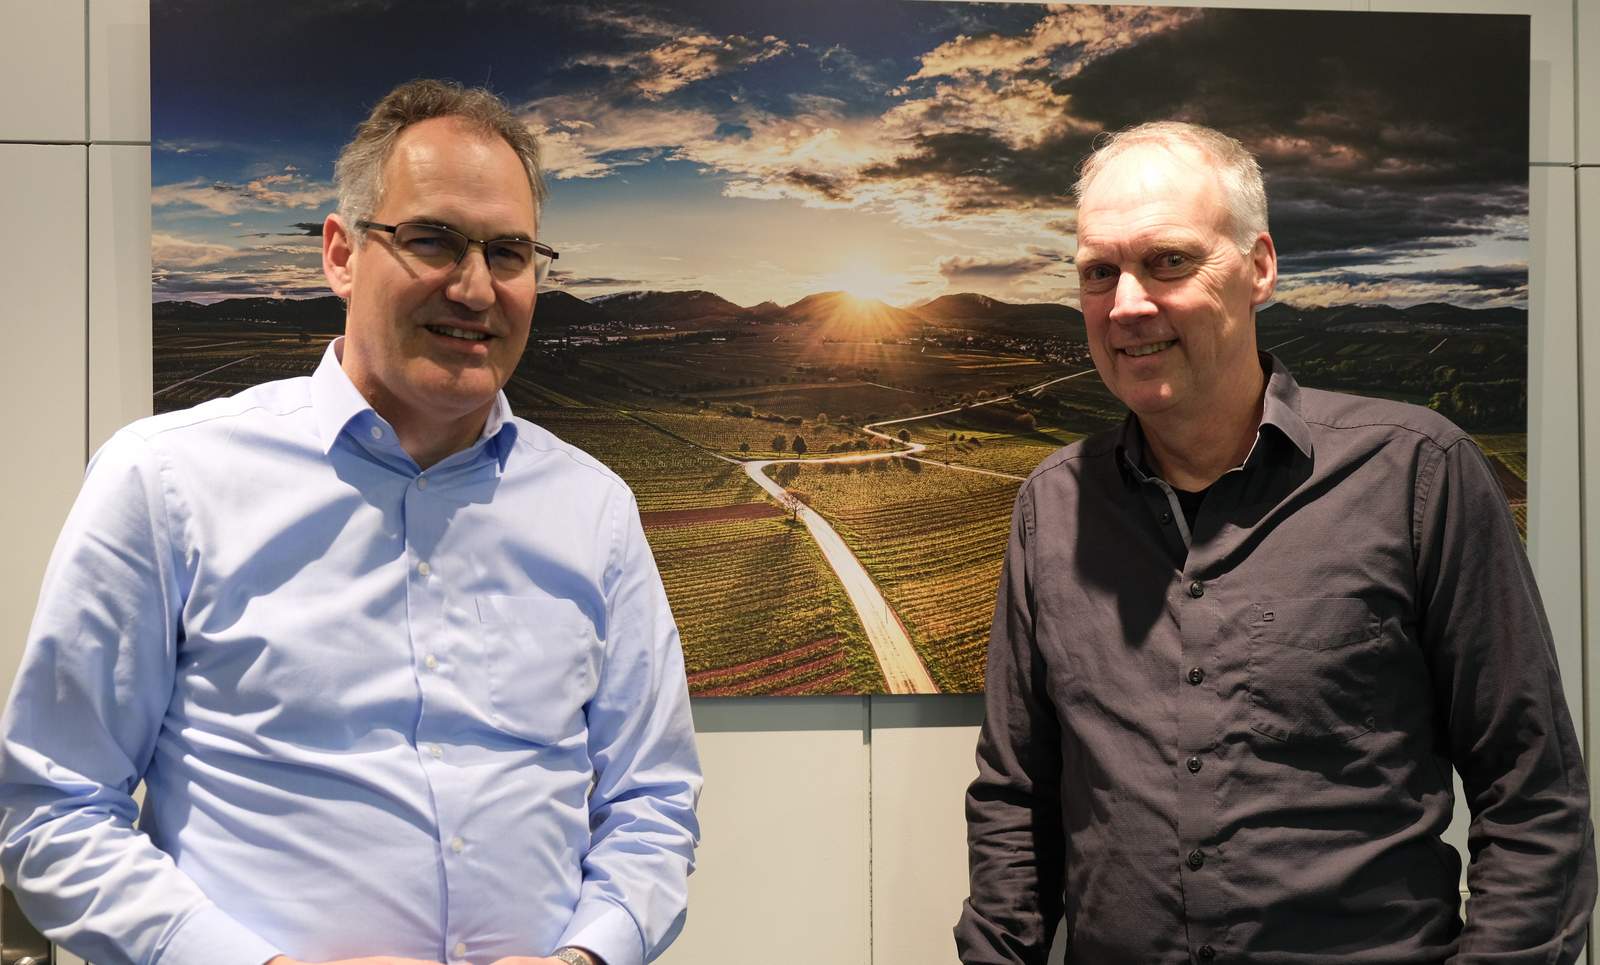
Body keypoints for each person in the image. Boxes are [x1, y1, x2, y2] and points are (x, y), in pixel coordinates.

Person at [0, 79, 700, 965]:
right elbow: (55, 810)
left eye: (511, 252)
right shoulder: (165, 479)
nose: (476, 287)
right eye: (434, 240)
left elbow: (654, 803)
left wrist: (588, 955)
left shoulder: (594, 508)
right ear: (341, 254)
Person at [955, 121, 1595, 963]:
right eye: (1099, 272)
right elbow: (1015, 798)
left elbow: (1534, 798)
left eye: (1169, 261)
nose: (1129, 304)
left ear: (1258, 267)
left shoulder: (1418, 474)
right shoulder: (1053, 506)